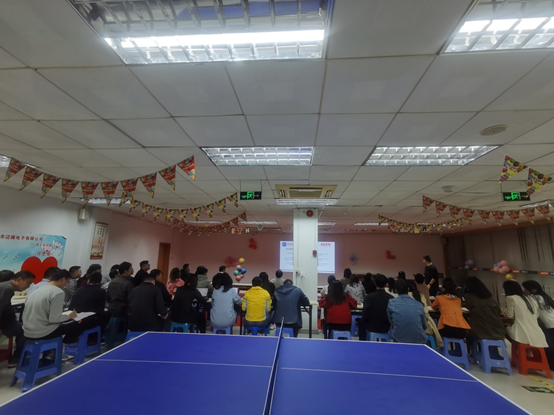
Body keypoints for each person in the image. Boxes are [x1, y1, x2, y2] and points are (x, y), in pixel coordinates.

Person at [22, 270, 96, 344]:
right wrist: (69, 316)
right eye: (67, 282)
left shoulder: (39, 289)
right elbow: (54, 319)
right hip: (42, 332)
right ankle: (66, 344)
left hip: (27, 331)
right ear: (63, 279)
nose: (66, 285)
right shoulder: (58, 292)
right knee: (80, 322)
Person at [0, 270, 35, 366]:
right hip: (5, 325)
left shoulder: (5, 286)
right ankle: (16, 358)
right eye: (28, 283)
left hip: (7, 323)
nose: (28, 287)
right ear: (19, 279)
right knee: (26, 330)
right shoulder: (7, 289)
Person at [503, 280, 548, 348]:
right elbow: (537, 314)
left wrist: (503, 311)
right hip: (537, 333)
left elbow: (510, 315)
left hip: (520, 334)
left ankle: (519, 349)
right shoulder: (530, 298)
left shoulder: (510, 298)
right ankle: (526, 351)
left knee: (502, 327)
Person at [464, 276, 505, 346]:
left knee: (468, 336)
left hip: (480, 331)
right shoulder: (490, 297)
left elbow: (467, 307)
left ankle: (477, 351)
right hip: (498, 331)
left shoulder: (470, 297)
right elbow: (498, 311)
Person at [522, 280, 554, 369]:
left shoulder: (535, 298)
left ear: (533, 290)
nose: (524, 290)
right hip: (551, 323)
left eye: (525, 288)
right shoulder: (545, 297)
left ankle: (551, 365)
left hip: (550, 325)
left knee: (549, 346)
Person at [387, 279, 427, 344]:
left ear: (396, 290)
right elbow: (424, 325)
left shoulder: (391, 302)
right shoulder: (419, 305)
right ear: (408, 289)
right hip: (419, 340)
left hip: (398, 339)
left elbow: (391, 321)